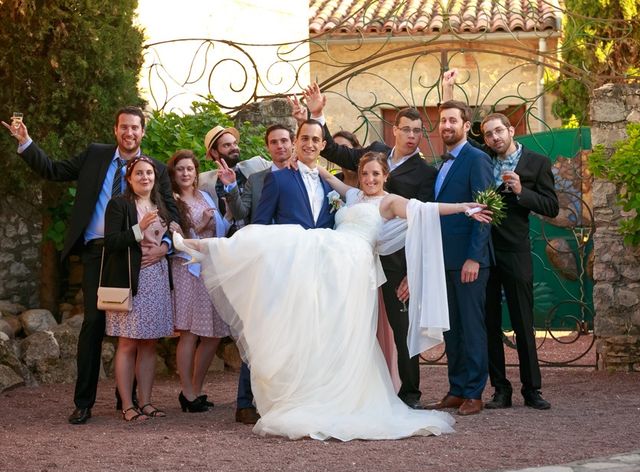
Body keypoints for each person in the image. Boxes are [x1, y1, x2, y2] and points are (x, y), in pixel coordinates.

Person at [175, 149, 490, 441]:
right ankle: (208, 247)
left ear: (385, 176)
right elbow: (326, 175)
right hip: (333, 256)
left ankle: (208, 248)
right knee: (291, 260)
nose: (369, 179)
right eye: (365, 174)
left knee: (289, 241)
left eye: (375, 175)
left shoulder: (390, 202)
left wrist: (463, 207)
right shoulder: (352, 196)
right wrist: (309, 155)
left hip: (352, 260)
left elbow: (425, 210)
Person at [1, 107, 178, 424]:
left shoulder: (154, 169)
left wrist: (165, 247)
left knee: (135, 332)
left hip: (137, 256)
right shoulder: (96, 156)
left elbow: (172, 213)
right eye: (124, 127)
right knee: (94, 324)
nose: (129, 133)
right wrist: (27, 143)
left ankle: (128, 400)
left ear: (143, 132)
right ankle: (83, 402)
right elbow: (54, 170)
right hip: (98, 252)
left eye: (135, 128)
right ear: (115, 130)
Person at [302, 82, 437, 409]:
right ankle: (349, 388)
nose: (411, 136)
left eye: (418, 132)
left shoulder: (425, 173)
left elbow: (424, 224)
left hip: (396, 262)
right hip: (357, 260)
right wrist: (317, 115)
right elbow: (334, 152)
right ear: (394, 131)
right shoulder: (373, 152)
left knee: (402, 328)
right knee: (352, 322)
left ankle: (410, 393)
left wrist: (412, 272)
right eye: (406, 129)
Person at [442, 70, 560, 409]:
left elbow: (551, 206)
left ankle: (531, 389)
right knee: (488, 322)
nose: (494, 137)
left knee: (523, 321)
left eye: (499, 131)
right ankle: (501, 389)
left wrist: (523, 192)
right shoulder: (483, 159)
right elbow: (458, 128)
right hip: (483, 251)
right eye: (489, 133)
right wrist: (448, 89)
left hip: (515, 249)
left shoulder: (536, 163)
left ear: (511, 131)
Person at [215, 123, 295, 425]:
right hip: (263, 263)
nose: (280, 146)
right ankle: (245, 402)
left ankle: (283, 396)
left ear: (293, 143)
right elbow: (240, 212)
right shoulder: (257, 179)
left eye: (285, 140)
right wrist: (231, 188)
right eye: (274, 142)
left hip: (294, 260)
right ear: (268, 147)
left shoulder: (305, 176)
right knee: (257, 330)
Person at [425, 100, 494, 416]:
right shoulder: (443, 163)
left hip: (468, 260)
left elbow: (484, 211)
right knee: (451, 327)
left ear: (467, 125)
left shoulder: (477, 159)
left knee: (471, 326)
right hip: (444, 258)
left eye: (453, 120)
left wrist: (474, 258)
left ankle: (474, 393)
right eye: (442, 121)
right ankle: (456, 388)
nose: (446, 125)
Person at [102, 156, 174, 421]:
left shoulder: (160, 205)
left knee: (149, 344)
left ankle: (146, 402)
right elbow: (111, 242)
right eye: (139, 174)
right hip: (131, 280)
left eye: (149, 173)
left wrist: (166, 245)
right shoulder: (119, 204)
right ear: (129, 179)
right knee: (127, 342)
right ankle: (127, 405)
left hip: (157, 278)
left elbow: (173, 234)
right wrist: (138, 228)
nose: (145, 177)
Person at [167, 150, 230, 413]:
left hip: (209, 267)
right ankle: (187, 392)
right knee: (190, 332)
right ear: (174, 173)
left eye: (189, 169)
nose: (185, 173)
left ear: (196, 172)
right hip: (187, 269)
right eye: (180, 169)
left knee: (214, 333)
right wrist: (201, 227)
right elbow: (177, 239)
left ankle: (196, 387)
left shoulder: (205, 195)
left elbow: (219, 228)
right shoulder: (172, 200)